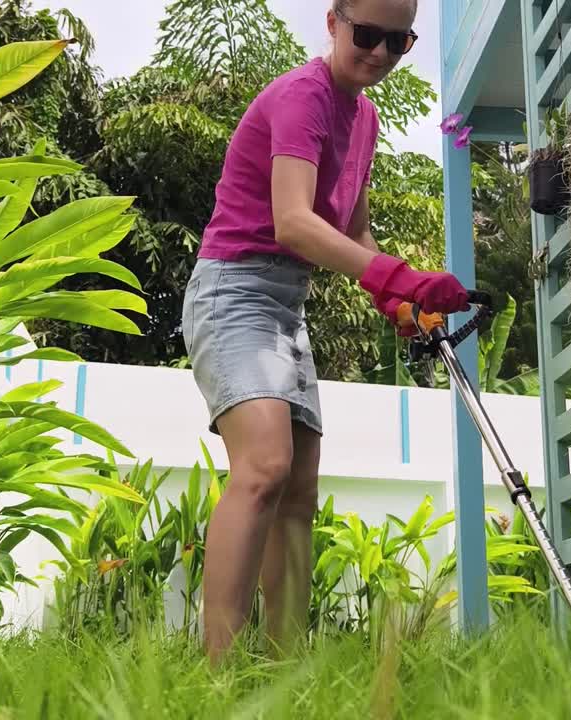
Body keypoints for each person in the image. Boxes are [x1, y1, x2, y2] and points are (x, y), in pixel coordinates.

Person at [180, 0, 470, 663]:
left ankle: (284, 667)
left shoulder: (363, 117)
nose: (379, 52)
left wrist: (395, 302)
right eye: (366, 34)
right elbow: (293, 222)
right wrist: (398, 275)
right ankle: (215, 669)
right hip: (234, 290)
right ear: (334, 22)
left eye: (398, 42)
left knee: (299, 492)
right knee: (264, 467)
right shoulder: (304, 97)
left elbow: (353, 231)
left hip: (288, 304)